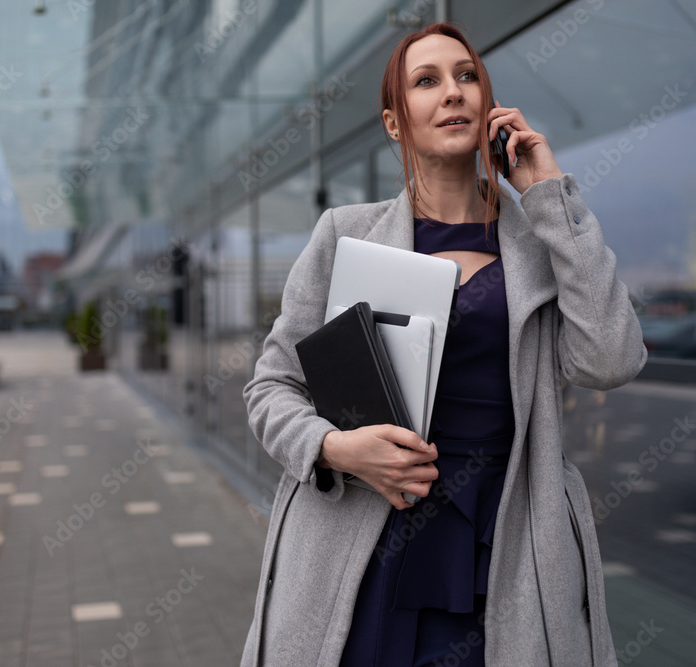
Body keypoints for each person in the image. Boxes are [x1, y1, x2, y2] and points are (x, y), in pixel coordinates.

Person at [241, 22, 646, 667]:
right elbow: (270, 387)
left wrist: (548, 195)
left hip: (507, 543)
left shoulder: (542, 245)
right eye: (426, 82)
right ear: (396, 123)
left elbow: (612, 359)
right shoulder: (345, 236)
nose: (452, 92)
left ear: (490, 106)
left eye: (467, 77)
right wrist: (337, 448)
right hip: (363, 540)